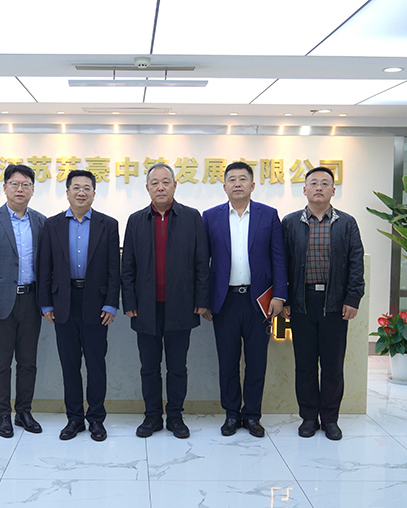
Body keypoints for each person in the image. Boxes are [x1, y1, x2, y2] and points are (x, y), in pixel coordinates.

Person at [121, 163, 210, 439]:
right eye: (155, 183)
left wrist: (201, 298)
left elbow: (202, 262)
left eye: (165, 182)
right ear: (147, 188)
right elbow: (128, 266)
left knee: (177, 367)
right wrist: (129, 302)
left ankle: (175, 416)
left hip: (181, 305)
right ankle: (152, 416)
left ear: (174, 186)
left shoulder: (191, 217)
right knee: (149, 367)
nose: (160, 187)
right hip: (145, 308)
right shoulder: (136, 220)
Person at [202, 161, 287, 438]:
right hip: (224, 301)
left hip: (258, 301)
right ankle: (231, 414)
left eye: (242, 179)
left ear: (252, 185)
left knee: (256, 362)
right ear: (224, 186)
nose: (237, 183)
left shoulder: (268, 215)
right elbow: (202, 263)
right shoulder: (210, 217)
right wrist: (205, 299)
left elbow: (278, 258)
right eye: (232, 179)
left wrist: (280, 296)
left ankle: (252, 416)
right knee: (227, 362)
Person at [281, 166, 364, 441]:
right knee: (304, 365)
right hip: (302, 303)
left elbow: (356, 263)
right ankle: (308, 417)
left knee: (332, 366)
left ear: (333, 190)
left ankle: (330, 419)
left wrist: (352, 298)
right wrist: (285, 299)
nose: (319, 187)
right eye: (314, 183)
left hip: (335, 303)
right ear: (304, 189)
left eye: (325, 183)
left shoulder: (347, 223)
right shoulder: (290, 223)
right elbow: (282, 263)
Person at [38, 170, 120, 442]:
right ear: (67, 193)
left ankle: (96, 419)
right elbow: (45, 266)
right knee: (69, 365)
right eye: (76, 188)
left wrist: (111, 303)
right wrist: (45, 303)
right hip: (63, 302)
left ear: (94, 194)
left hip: (96, 304)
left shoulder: (108, 225)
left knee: (96, 365)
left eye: (87, 188)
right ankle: (74, 419)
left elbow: (114, 269)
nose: (81, 192)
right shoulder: (52, 225)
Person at [0, 164, 46, 439]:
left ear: (32, 190)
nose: (20, 189)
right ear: (4, 188)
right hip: (0, 304)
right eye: (14, 184)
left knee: (28, 362)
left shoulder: (40, 222)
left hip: (31, 301)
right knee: (1, 363)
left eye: (25, 185)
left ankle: (23, 412)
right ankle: (2, 414)